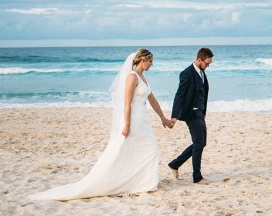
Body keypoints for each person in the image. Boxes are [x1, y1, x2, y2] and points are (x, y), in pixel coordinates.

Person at [30, 49, 174, 201]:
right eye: (150, 61)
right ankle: (147, 185)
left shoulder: (143, 77)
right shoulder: (132, 77)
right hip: (134, 119)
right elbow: (127, 103)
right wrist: (126, 124)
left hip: (143, 119)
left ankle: (144, 183)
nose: (152, 64)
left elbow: (152, 99)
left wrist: (163, 119)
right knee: (139, 149)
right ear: (143, 60)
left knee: (147, 150)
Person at [168, 47, 214, 185]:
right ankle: (197, 177)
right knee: (199, 143)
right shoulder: (186, 74)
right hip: (191, 113)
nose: (208, 66)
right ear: (199, 59)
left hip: (199, 112)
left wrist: (203, 112)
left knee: (201, 143)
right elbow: (179, 95)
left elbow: (203, 94)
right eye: (207, 63)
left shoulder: (202, 72)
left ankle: (175, 164)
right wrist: (174, 116)